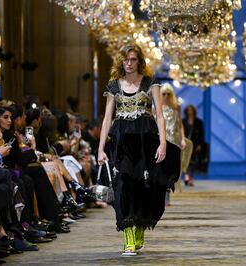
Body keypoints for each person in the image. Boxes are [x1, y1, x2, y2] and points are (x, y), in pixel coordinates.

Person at [98, 44, 180, 256]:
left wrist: (163, 143)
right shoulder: (114, 86)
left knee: (145, 186)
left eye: (133, 59)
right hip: (122, 141)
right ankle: (128, 238)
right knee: (124, 184)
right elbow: (107, 118)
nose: (129, 63)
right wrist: (100, 149)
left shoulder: (150, 82)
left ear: (139, 61)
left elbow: (159, 115)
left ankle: (140, 226)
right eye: (126, 59)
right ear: (121, 61)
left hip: (146, 140)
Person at [160, 84, 191, 204]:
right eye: (164, 94)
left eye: (169, 94)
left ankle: (167, 193)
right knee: (160, 168)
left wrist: (182, 139)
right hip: (160, 142)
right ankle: (161, 194)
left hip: (173, 141)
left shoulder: (176, 107)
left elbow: (180, 125)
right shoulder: (156, 108)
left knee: (170, 168)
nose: (166, 96)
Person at [182, 105, 206, 186]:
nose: (190, 112)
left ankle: (191, 178)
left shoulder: (199, 122)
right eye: (188, 110)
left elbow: (202, 134)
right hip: (186, 143)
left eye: (191, 110)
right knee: (185, 161)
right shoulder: (183, 121)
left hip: (195, 144)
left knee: (194, 162)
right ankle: (186, 177)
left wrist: (200, 144)